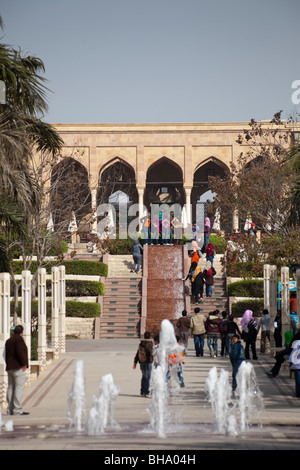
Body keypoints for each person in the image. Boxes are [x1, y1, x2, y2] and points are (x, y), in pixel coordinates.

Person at [5, 325, 29, 415]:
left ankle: (10, 409)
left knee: (11, 387)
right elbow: (20, 353)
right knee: (19, 388)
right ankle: (17, 409)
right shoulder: (19, 340)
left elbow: (5, 354)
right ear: (21, 332)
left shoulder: (8, 341)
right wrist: (24, 364)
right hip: (18, 368)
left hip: (10, 368)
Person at [133, 331, 153, 397]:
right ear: (150, 336)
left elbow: (137, 353)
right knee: (147, 377)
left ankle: (142, 391)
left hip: (141, 362)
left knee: (144, 376)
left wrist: (135, 362)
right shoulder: (149, 344)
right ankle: (146, 391)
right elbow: (150, 352)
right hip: (148, 362)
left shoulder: (141, 343)